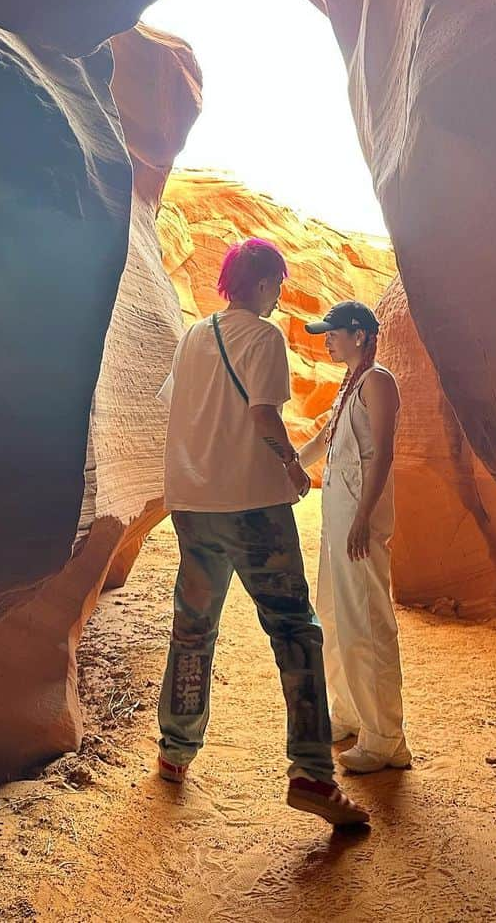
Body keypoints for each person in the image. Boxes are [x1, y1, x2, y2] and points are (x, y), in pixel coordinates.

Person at [155, 238, 369, 827]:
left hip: (194, 505)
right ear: (262, 284)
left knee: (193, 629)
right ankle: (311, 773)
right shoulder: (264, 336)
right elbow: (261, 415)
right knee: (295, 631)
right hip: (252, 507)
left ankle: (175, 751)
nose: (277, 297)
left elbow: (178, 407)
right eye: (277, 285)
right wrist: (295, 469)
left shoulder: (194, 335)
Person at [298, 300, 410, 774]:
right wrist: (287, 465)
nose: (328, 339)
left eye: (334, 332)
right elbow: (324, 440)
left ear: (360, 335)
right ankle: (348, 714)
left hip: (358, 523)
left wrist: (364, 517)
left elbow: (383, 454)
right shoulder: (351, 384)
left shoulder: (378, 381)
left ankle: (385, 738)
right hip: (338, 523)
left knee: (366, 622)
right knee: (335, 616)